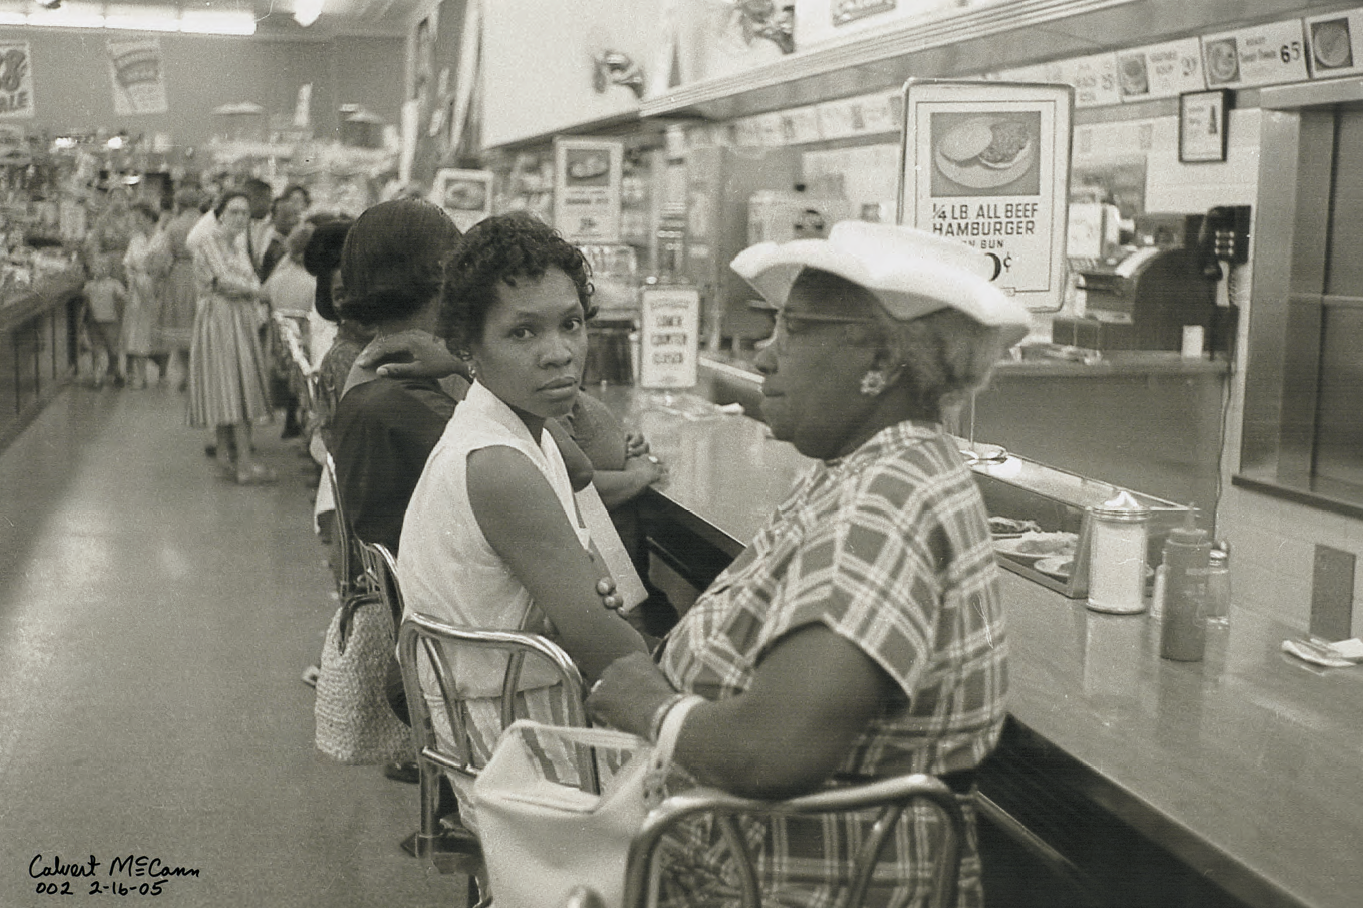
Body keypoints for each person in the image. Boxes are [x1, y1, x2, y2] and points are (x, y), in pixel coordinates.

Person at [586, 221, 1030, 908]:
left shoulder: (882, 505)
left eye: (791, 328)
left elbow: (775, 748)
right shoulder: (870, 466)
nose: (763, 356)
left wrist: (653, 706)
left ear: (879, 359)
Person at [396, 212, 649, 821]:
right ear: (468, 347)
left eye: (572, 323)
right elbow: (603, 643)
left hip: (509, 711)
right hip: (518, 742)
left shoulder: (509, 427)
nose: (559, 352)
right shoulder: (499, 466)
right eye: (523, 334)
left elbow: (583, 460)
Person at [186, 190, 277, 485]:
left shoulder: (236, 245)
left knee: (233, 387)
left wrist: (249, 288)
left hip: (238, 318)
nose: (240, 218)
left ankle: (227, 460)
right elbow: (225, 282)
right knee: (233, 389)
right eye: (234, 211)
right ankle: (244, 466)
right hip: (220, 319)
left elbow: (248, 279)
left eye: (245, 213)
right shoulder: (208, 241)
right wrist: (254, 291)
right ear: (220, 213)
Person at [159, 186, 205, 391]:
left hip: (179, 274)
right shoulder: (206, 223)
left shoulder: (174, 225)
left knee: (182, 326)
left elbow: (163, 255)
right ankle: (200, 374)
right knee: (201, 325)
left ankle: (185, 374)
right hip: (203, 273)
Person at [121, 202, 171, 389]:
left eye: (139, 217)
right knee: (138, 333)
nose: (135, 221)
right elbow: (127, 263)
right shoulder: (136, 239)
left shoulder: (163, 238)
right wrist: (132, 278)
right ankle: (140, 376)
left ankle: (163, 374)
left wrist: (155, 278)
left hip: (158, 288)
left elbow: (166, 264)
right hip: (138, 290)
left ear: (149, 217)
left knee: (159, 331)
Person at [82, 258, 128, 388]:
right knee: (106, 348)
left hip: (101, 321)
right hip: (105, 321)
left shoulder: (92, 286)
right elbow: (123, 300)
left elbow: (85, 303)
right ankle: (109, 375)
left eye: (101, 266)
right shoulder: (113, 285)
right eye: (96, 267)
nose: (98, 269)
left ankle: (107, 375)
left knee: (105, 349)